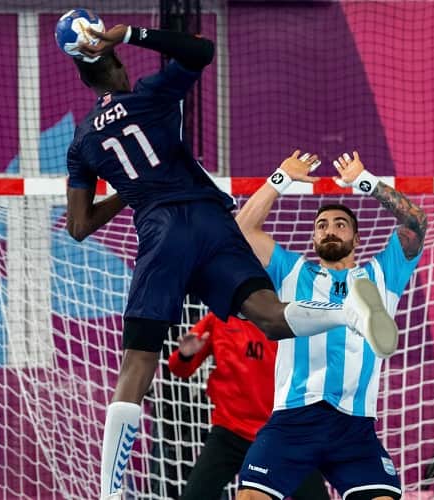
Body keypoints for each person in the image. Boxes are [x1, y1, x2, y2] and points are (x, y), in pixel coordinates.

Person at [60, 17, 401, 500]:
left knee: (136, 362)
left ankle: (110, 494)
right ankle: (348, 312)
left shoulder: (82, 144)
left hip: (160, 230)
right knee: (270, 315)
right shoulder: (150, 95)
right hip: (209, 218)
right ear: (117, 67)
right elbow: (200, 51)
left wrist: (130, 188)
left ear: (83, 78)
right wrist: (132, 34)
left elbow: (79, 226)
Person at [233, 151, 428, 500]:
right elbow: (242, 231)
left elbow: (416, 223)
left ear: (356, 238)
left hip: (354, 426)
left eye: (341, 224)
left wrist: (364, 181)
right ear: (313, 239)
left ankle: (357, 311)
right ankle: (350, 313)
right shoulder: (292, 270)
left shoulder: (383, 274)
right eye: (321, 225)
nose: (330, 229)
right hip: (294, 419)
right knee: (250, 498)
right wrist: (281, 177)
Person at [169, 312, 329, 500]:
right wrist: (184, 356)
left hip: (280, 433)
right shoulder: (220, 317)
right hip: (229, 432)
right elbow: (179, 369)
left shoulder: (290, 318)